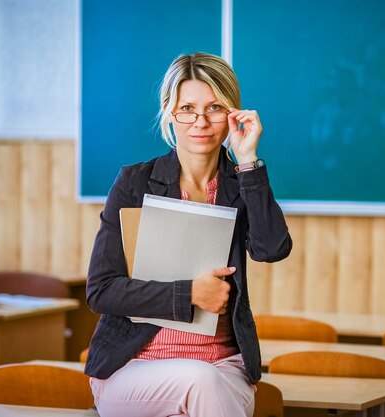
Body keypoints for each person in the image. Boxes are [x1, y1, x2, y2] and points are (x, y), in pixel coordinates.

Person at [84, 52, 292, 417]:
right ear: (169, 112)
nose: (201, 122)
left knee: (206, 381)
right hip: (134, 370)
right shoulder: (135, 182)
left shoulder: (240, 182)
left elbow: (271, 248)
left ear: (233, 113)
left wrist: (247, 162)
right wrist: (190, 293)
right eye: (187, 109)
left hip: (224, 367)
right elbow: (101, 291)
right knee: (199, 381)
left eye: (214, 108)